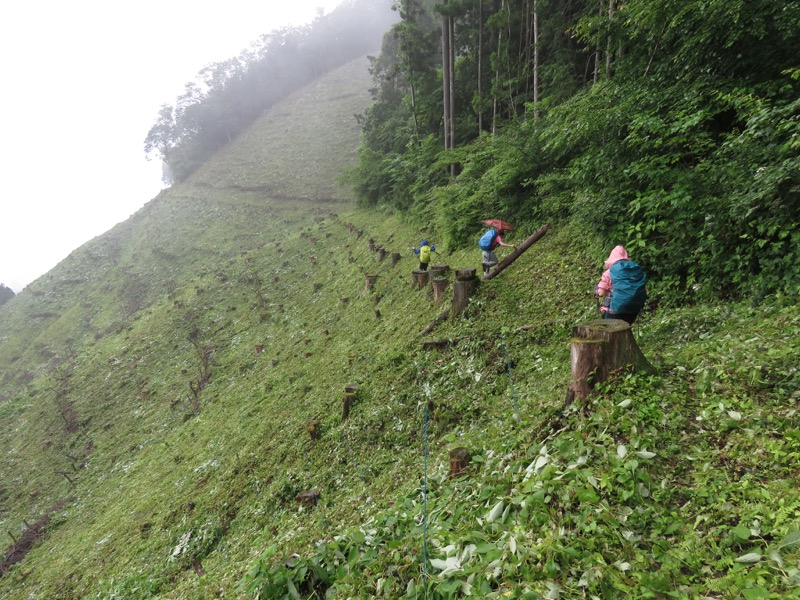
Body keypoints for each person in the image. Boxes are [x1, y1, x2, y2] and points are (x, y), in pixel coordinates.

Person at [595, 245, 647, 324]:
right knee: (624, 330)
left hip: (616, 310)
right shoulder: (634, 268)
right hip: (634, 309)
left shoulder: (609, 272)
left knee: (610, 332)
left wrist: (597, 289)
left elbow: (601, 293)